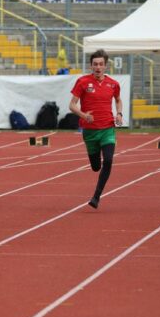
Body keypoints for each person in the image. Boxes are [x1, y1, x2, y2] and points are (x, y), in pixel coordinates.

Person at [68, 49, 123, 209]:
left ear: (106, 66)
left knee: (109, 160)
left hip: (107, 129)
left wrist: (119, 113)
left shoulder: (113, 84)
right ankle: (94, 156)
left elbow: (118, 100)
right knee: (95, 167)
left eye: (101, 64)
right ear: (91, 66)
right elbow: (72, 105)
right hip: (90, 132)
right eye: (95, 64)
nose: (98, 67)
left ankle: (96, 197)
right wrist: (84, 115)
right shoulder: (83, 82)